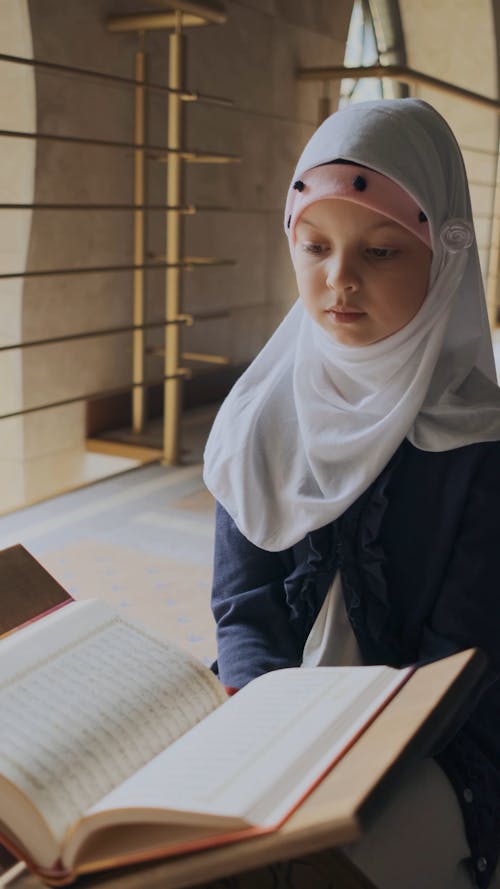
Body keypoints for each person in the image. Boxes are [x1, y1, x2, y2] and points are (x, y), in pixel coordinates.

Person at [202, 98, 500, 889]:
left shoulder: (479, 445)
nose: (340, 279)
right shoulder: (261, 418)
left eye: (381, 250)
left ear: (446, 259)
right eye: (315, 246)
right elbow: (244, 610)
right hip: (271, 720)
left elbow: (462, 661)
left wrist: (343, 764)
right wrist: (269, 728)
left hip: (428, 739)